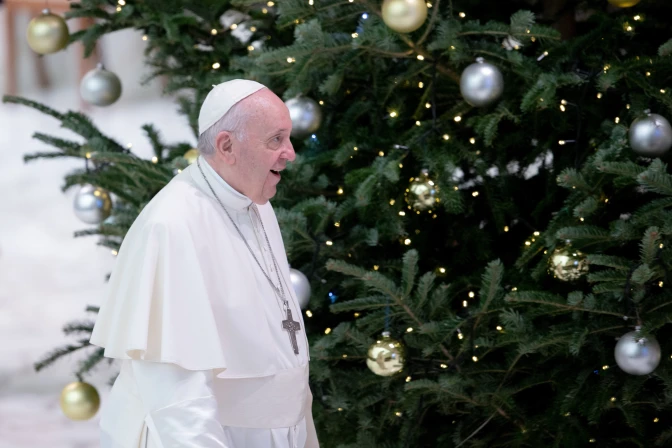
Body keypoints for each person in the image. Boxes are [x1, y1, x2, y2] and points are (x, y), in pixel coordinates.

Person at [89, 79, 319, 448]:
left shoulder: (255, 202)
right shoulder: (171, 226)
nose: (290, 153)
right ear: (227, 146)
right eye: (276, 140)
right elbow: (176, 393)